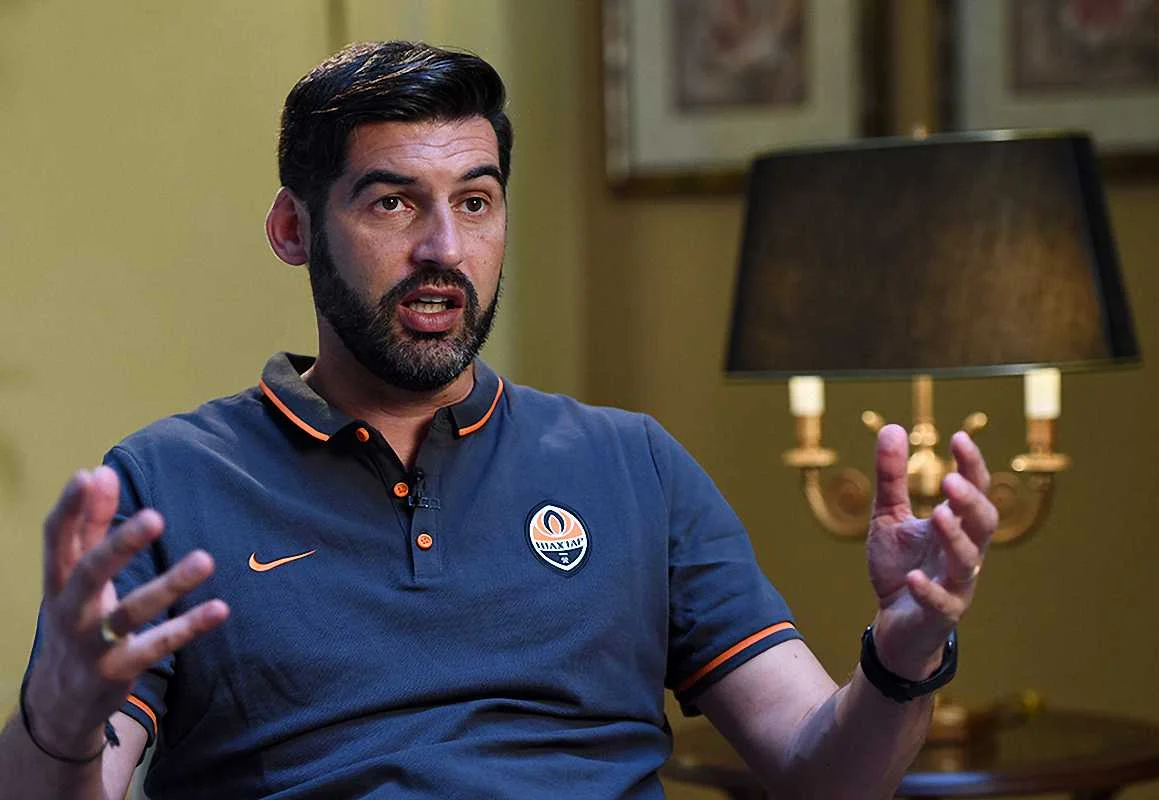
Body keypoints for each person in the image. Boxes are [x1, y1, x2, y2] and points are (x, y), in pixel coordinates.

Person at [0, 41, 997, 799]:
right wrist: (60, 718)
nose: (445, 247)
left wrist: (904, 654)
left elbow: (825, 774)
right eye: (393, 204)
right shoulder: (165, 485)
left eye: (475, 202)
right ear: (293, 229)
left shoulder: (634, 466)